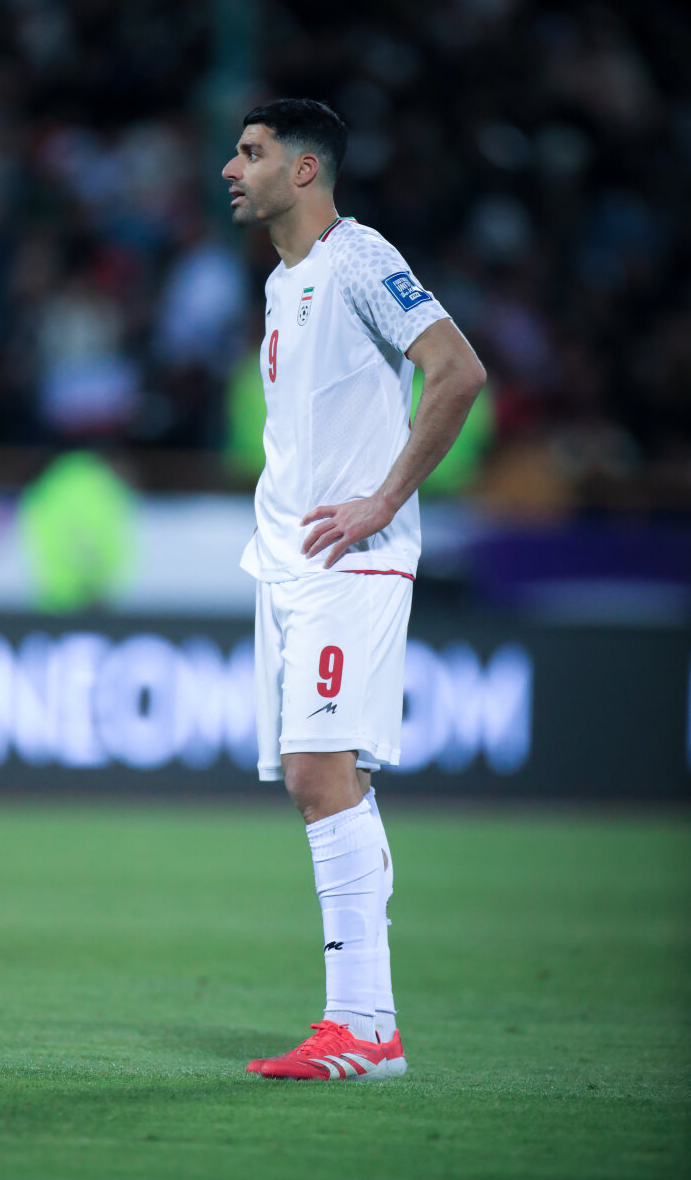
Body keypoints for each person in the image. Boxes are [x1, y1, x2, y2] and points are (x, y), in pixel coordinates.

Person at [222, 98, 485, 1081]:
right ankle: (365, 1025)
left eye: (250, 152)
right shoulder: (281, 282)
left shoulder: (358, 257)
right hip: (290, 564)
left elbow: (456, 371)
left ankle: (363, 1028)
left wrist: (382, 499)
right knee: (332, 784)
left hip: (350, 559)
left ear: (304, 169)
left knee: (317, 774)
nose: (230, 169)